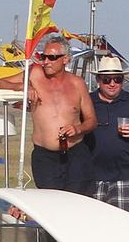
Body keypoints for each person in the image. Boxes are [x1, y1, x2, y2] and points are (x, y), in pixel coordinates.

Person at [19, 38, 97, 194]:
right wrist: (24, 87)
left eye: (52, 57)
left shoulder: (77, 83)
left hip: (75, 154)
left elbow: (92, 120)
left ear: (65, 59)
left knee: (77, 201)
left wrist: (77, 128)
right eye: (43, 56)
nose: (46, 61)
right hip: (45, 157)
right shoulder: (34, 74)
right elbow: (1, 84)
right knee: (51, 202)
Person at [86, 56, 129, 213]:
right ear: (98, 80)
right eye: (107, 80)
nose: (112, 84)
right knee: (93, 227)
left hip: (126, 176)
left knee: (128, 230)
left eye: (117, 79)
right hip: (92, 177)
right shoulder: (88, 101)